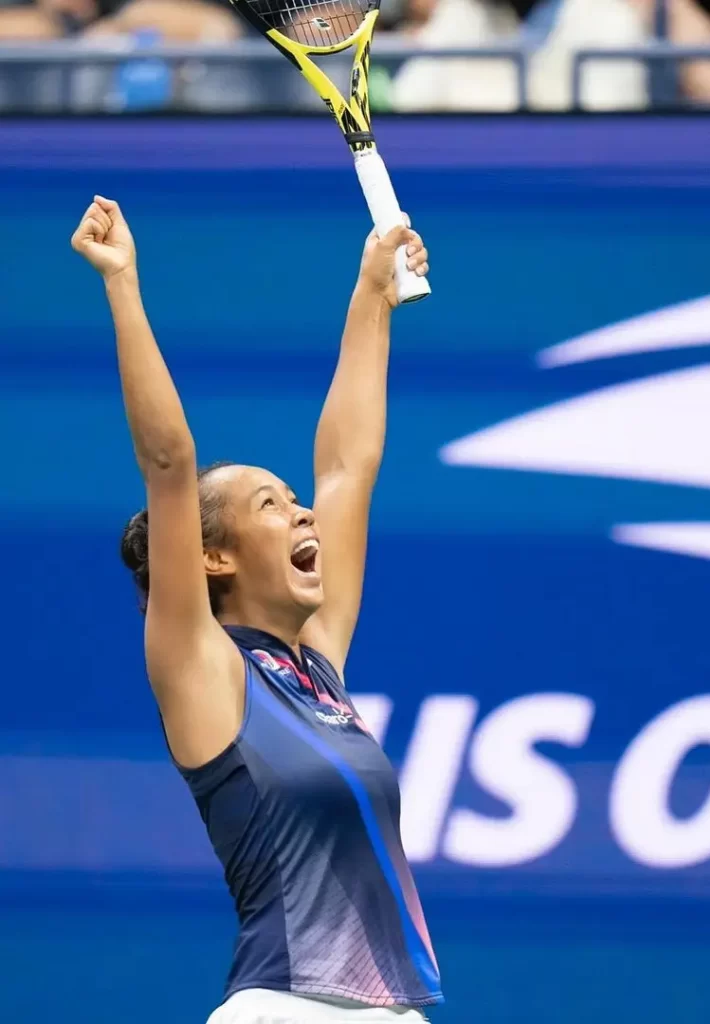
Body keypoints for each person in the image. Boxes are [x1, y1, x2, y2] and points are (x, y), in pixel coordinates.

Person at [70, 195, 441, 1024]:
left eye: (294, 500)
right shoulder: (200, 670)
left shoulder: (318, 663)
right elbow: (170, 464)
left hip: (389, 1012)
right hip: (284, 1009)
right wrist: (123, 284)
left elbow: (347, 466)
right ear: (213, 555)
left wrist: (371, 299)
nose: (305, 512)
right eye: (272, 505)